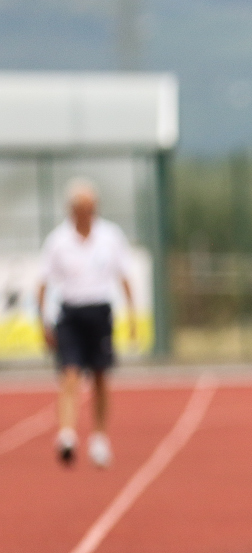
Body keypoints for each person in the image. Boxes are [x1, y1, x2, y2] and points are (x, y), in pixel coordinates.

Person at [39, 179, 137, 468]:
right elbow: (42, 283)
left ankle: (99, 438)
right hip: (70, 314)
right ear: (72, 210)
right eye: (82, 208)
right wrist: (43, 322)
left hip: (99, 312)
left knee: (100, 376)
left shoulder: (111, 236)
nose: (87, 214)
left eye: (91, 208)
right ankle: (67, 435)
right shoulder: (58, 241)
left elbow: (124, 276)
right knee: (69, 374)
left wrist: (132, 316)